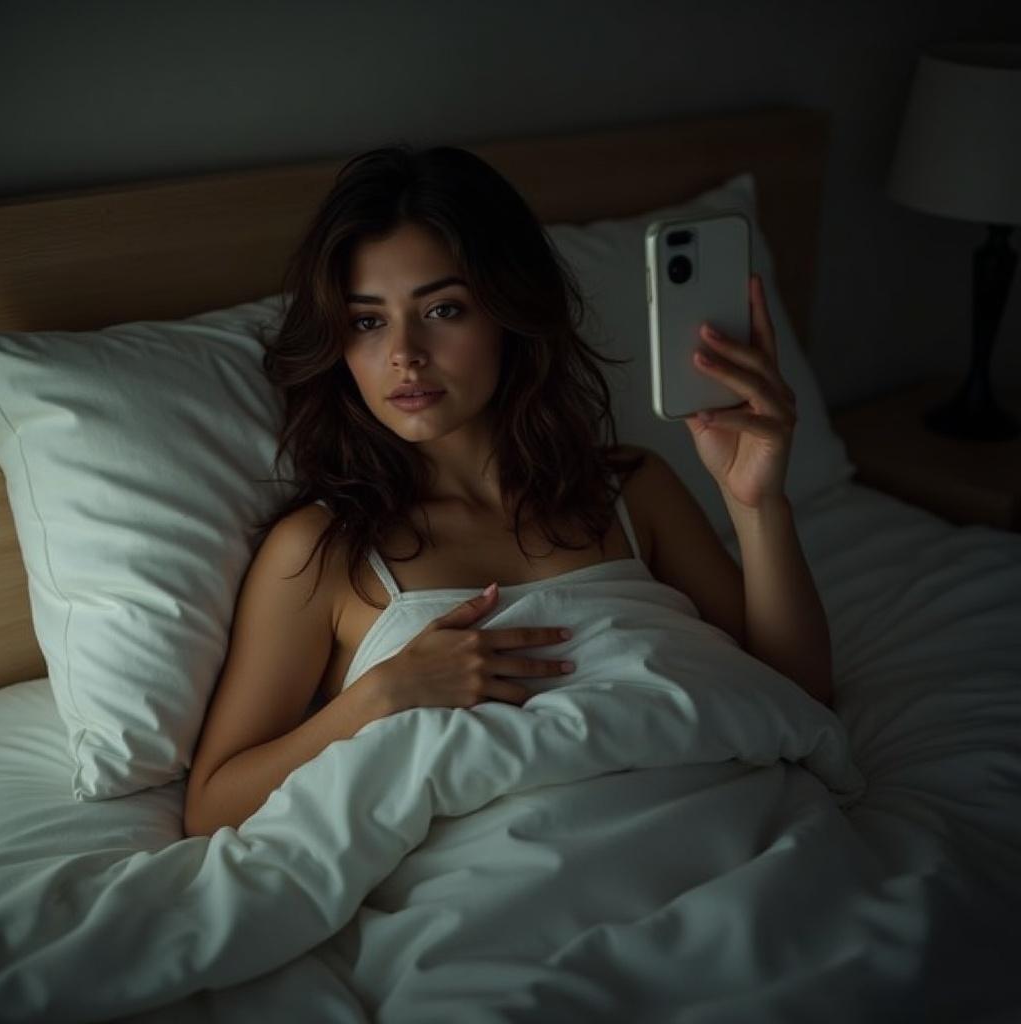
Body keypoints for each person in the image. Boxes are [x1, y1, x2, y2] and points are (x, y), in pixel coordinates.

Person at [182, 145, 832, 838]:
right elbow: (214, 808)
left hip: (713, 827)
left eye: (443, 309)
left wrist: (758, 505)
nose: (405, 352)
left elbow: (796, 699)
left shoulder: (631, 490)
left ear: (507, 314)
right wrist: (381, 695)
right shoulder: (323, 550)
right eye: (368, 321)